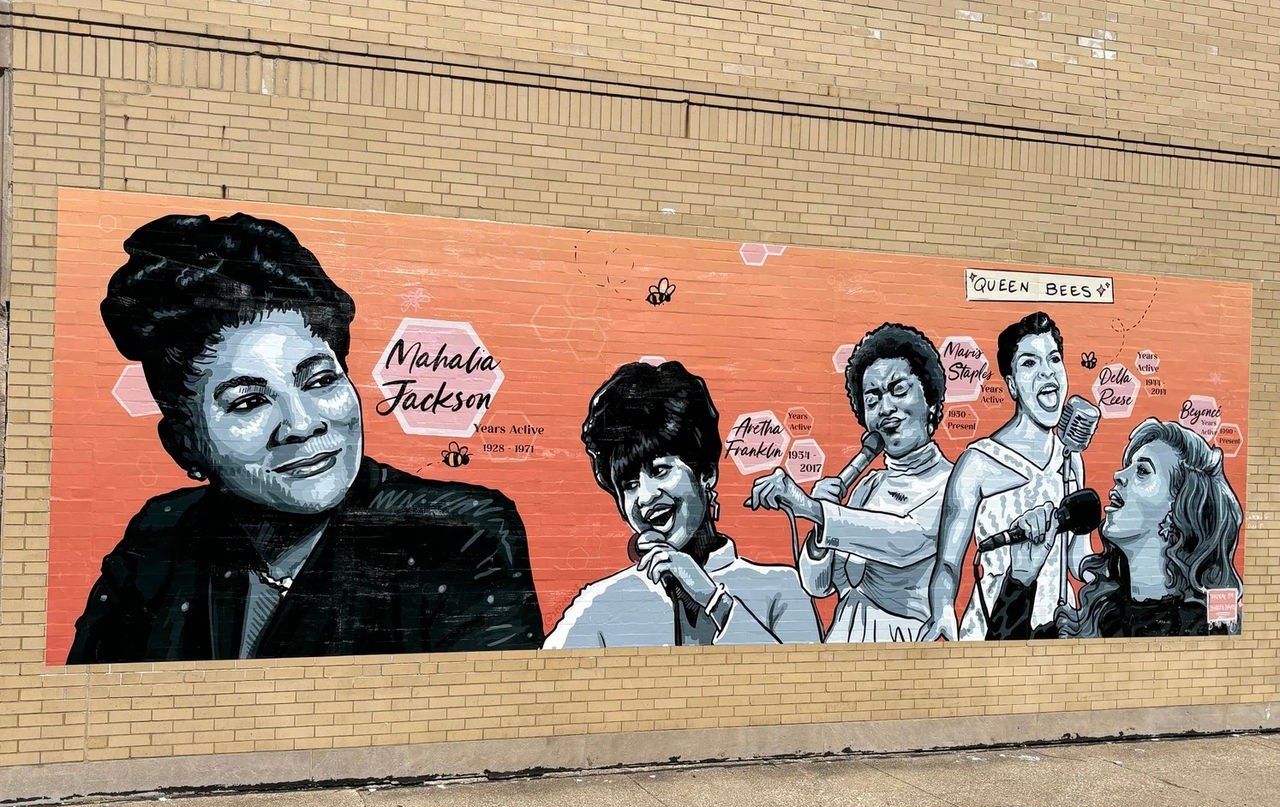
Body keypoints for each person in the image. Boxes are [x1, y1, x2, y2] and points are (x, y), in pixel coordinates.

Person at [68, 213, 544, 663]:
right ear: (184, 445)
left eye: (319, 381)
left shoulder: (458, 534)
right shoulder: (161, 537)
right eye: (248, 402)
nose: (302, 423)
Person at [543, 361, 821, 649]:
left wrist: (714, 601)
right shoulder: (604, 605)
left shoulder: (780, 590)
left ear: (706, 472)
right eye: (629, 485)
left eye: (660, 470)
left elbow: (803, 685)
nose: (646, 497)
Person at [746, 324, 953, 643]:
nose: (885, 409)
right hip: (844, 637)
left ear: (932, 403)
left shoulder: (953, 481)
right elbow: (819, 586)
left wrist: (815, 510)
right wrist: (818, 533)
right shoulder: (868, 486)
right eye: (872, 400)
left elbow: (904, 542)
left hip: (904, 645)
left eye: (898, 390)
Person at [986, 419, 1243, 639]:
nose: (1119, 475)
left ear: (1179, 510)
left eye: (1142, 470)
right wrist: (1021, 579)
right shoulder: (1093, 618)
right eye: (1128, 465)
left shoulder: (1206, 627)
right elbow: (1003, 668)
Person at [921, 312, 1089, 641]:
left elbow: (1076, 555)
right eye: (1029, 363)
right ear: (1011, 384)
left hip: (1059, 630)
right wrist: (942, 610)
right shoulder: (976, 464)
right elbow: (948, 565)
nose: (1046, 372)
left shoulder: (1071, 459)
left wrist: (1109, 571)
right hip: (994, 626)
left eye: (1054, 359)